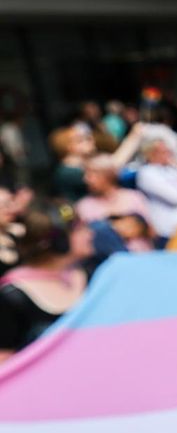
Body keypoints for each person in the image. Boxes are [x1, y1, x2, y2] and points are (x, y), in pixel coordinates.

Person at [0, 201, 94, 361]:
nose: (90, 234)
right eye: (80, 229)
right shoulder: (13, 296)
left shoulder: (91, 276)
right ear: (60, 242)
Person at [76, 155, 152, 253]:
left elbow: (152, 232)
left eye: (91, 174)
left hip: (141, 257)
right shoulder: (84, 206)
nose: (86, 179)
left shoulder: (134, 197)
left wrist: (138, 228)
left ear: (108, 175)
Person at [134, 137, 177, 247]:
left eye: (168, 151)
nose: (167, 155)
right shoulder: (146, 173)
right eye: (163, 151)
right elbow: (176, 197)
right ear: (150, 153)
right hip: (163, 230)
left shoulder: (173, 170)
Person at [49, 123, 95, 202]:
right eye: (80, 140)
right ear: (69, 147)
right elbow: (110, 174)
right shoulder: (67, 172)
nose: (89, 140)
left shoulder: (80, 166)